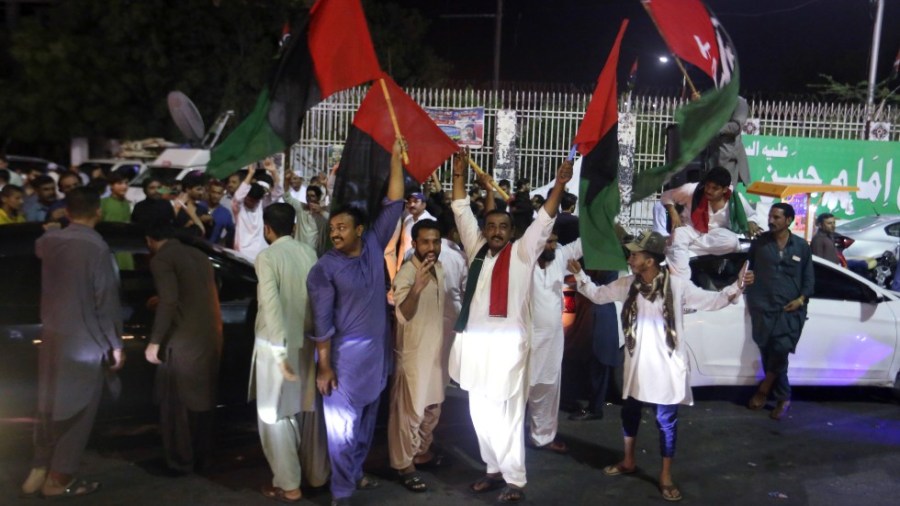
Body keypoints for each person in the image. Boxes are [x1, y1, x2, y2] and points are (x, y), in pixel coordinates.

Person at [568, 230, 752, 502]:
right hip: (636, 364)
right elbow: (597, 295)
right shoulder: (627, 284)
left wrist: (737, 287)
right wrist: (581, 276)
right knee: (629, 413)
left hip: (666, 367)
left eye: (635, 255)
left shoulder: (677, 285)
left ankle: (665, 475)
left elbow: (711, 301)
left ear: (651, 260)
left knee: (665, 421)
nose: (630, 259)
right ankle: (628, 460)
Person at [450, 149, 572, 503]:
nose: (496, 232)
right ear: (485, 230)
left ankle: (515, 479)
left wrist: (560, 184)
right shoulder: (475, 249)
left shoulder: (521, 254)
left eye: (503, 227)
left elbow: (545, 220)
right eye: (491, 226)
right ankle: (492, 469)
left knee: (506, 415)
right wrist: (458, 174)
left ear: (512, 231)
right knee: (480, 413)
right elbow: (460, 211)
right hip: (475, 349)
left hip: (507, 354)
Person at [306, 138, 405, 506]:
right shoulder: (324, 269)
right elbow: (321, 323)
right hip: (343, 364)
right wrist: (325, 367)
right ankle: (341, 492)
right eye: (332, 228)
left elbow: (393, 203)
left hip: (376, 359)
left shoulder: (375, 245)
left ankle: (355, 473)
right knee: (341, 431)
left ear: (359, 230)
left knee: (364, 427)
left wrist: (395, 158)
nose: (335, 233)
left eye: (342, 227)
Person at [21, 187, 124, 498]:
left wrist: (51, 227)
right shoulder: (97, 248)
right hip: (85, 341)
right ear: (98, 212)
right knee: (78, 412)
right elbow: (105, 301)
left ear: (67, 212)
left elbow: (40, 242)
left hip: (52, 335)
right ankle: (59, 479)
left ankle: (39, 467)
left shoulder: (50, 241)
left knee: (48, 403)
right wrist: (115, 345)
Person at [252, 203, 329, 502]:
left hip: (277, 346)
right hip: (305, 341)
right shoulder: (307, 253)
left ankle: (289, 484)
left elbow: (270, 305)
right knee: (294, 412)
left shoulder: (267, 256)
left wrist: (278, 352)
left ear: (267, 228)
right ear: (294, 227)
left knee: (273, 417)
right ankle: (305, 475)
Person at [144, 226, 223, 474]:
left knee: (177, 405)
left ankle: (181, 461)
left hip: (182, 341)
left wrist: (155, 342)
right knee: (203, 401)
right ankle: (204, 457)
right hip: (210, 336)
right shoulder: (198, 255)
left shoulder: (162, 259)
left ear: (149, 238)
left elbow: (168, 300)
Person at [388, 219, 455, 493]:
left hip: (435, 353)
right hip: (414, 356)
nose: (431, 247)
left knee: (431, 408)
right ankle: (404, 465)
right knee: (409, 414)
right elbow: (403, 313)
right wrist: (415, 287)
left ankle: (421, 453)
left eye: (436, 241)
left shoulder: (438, 267)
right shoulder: (407, 272)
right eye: (425, 241)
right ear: (414, 244)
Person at [745, 203, 814, 421]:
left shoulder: (801, 247)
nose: (771, 221)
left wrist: (801, 300)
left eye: (776, 217)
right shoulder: (760, 244)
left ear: (789, 220)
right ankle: (776, 392)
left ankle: (773, 393)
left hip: (789, 310)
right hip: (762, 308)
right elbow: (747, 268)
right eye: (770, 216)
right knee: (767, 351)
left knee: (780, 349)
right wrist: (748, 277)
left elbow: (809, 278)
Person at [526, 231, 582, 453]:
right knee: (516, 391)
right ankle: (505, 440)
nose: (553, 245)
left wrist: (604, 217)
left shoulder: (559, 255)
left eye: (555, 241)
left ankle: (543, 437)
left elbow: (584, 242)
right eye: (548, 241)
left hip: (552, 340)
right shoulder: (523, 261)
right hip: (525, 340)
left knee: (548, 387)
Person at [661, 166, 760, 280]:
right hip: (691, 228)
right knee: (679, 234)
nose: (708, 190)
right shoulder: (693, 190)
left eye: (714, 188)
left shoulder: (735, 199)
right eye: (707, 186)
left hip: (714, 235)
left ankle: (684, 249)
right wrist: (673, 213)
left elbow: (751, 215)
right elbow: (666, 195)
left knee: (731, 242)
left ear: (724, 189)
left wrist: (751, 222)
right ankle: (681, 261)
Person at [233, 160, 283, 262]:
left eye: (254, 201)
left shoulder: (260, 205)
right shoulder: (239, 208)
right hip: (242, 254)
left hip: (260, 254)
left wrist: (274, 172)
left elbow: (278, 192)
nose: (251, 203)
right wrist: (250, 174)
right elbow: (238, 197)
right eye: (249, 199)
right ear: (246, 196)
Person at [707, 96, 751, 186]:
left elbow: (736, 127)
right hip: (710, 156)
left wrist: (716, 127)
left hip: (727, 157)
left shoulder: (739, 102)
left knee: (724, 193)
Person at [100, 172, 135, 270]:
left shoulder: (126, 204)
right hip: (109, 246)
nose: (124, 186)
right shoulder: (104, 203)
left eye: (126, 183)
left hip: (125, 246)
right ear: (111, 185)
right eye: (119, 183)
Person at [205, 179, 235, 248]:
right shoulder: (200, 206)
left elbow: (231, 232)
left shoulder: (225, 214)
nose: (215, 196)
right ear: (209, 192)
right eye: (213, 192)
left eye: (219, 193)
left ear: (222, 195)